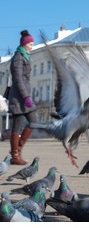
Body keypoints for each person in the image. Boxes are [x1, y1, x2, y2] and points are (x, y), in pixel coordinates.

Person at [7, 30, 38, 165]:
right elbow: (18, 78)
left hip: (24, 96)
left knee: (33, 121)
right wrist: (25, 96)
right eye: (30, 44)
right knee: (17, 126)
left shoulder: (25, 56)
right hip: (18, 97)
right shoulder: (18, 57)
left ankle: (17, 148)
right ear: (25, 44)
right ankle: (15, 155)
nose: (32, 46)